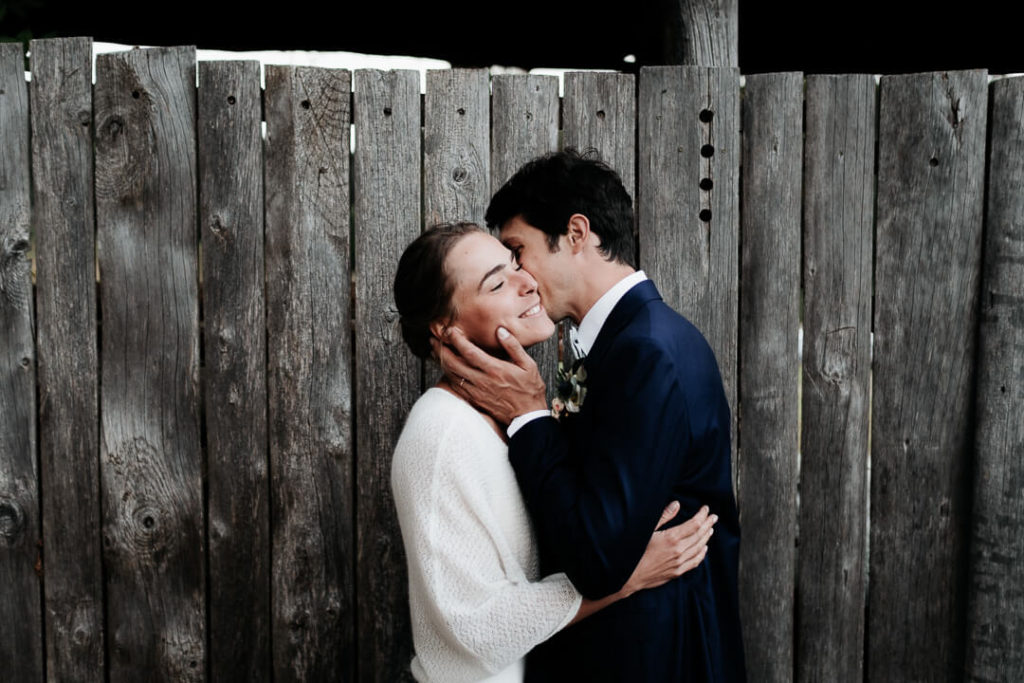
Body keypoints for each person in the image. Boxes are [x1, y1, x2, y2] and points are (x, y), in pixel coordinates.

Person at [433, 150, 746, 681]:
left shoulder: (646, 351)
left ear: (576, 233)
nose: (521, 277)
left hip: (660, 656)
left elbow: (599, 559)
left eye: (518, 251)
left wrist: (532, 417)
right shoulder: (625, 341)